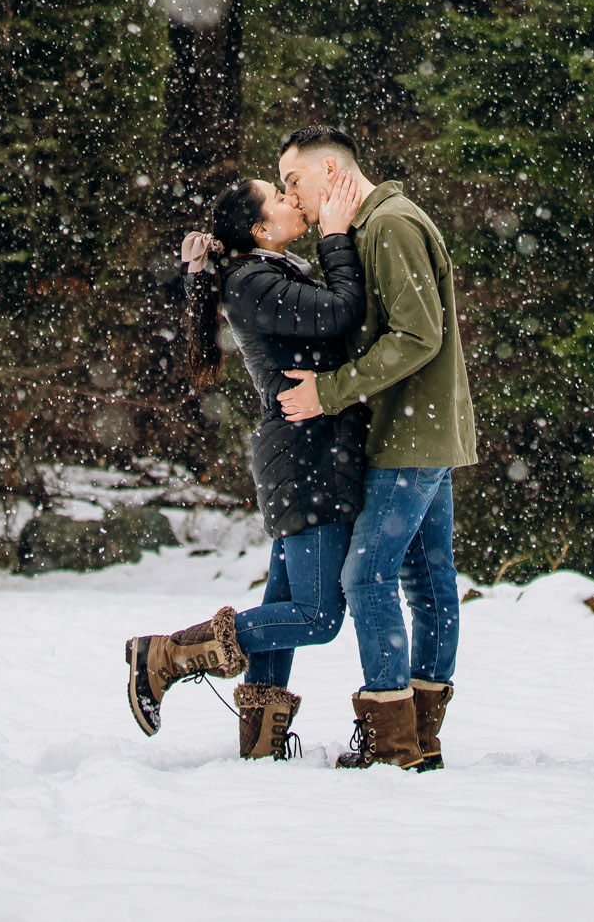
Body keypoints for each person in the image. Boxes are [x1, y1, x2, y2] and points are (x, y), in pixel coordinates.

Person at [124, 169, 366, 761]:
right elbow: (340, 311)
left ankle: (260, 747)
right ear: (261, 228)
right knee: (315, 616)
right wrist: (335, 237)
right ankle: (169, 654)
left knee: (285, 600)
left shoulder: (264, 273)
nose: (292, 202)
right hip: (306, 457)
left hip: (310, 453)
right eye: (280, 198)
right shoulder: (254, 280)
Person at [277, 124, 475, 774]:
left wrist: (329, 392)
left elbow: (417, 336)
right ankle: (417, 739)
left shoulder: (390, 225)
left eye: (294, 182)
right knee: (427, 579)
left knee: (368, 576)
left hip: (409, 438)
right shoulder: (373, 227)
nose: (292, 197)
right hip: (415, 430)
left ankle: (391, 741)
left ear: (331, 171)